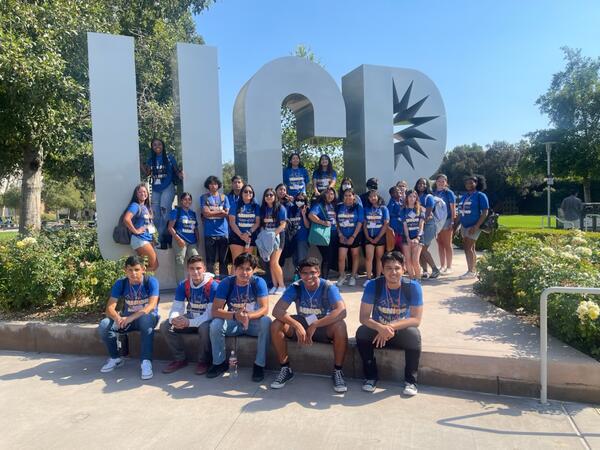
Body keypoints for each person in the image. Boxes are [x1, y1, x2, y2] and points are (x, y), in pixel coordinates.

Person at [270, 257, 349, 392]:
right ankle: (285, 368)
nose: (309, 276)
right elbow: (277, 310)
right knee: (276, 324)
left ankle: (338, 371)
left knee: (341, 325)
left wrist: (316, 324)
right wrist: (296, 325)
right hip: (303, 322)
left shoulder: (328, 287)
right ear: (300, 274)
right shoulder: (296, 287)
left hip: (323, 325)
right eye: (305, 273)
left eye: (312, 272)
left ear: (318, 272)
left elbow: (341, 311)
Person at [356, 251, 423, 396]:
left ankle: (411, 381)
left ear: (404, 268)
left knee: (414, 335)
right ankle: (370, 377)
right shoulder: (373, 285)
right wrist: (380, 328)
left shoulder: (413, 287)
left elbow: (416, 320)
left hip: (399, 330)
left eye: (397, 268)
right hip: (378, 331)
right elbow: (364, 317)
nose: (393, 272)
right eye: (389, 268)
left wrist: (390, 327)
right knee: (362, 332)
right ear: (382, 269)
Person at [208, 253, 271, 382]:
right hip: (234, 322)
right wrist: (235, 316)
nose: (244, 272)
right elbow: (215, 310)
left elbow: (264, 309)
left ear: (254, 270)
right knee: (215, 324)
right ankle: (218, 363)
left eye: (248, 269)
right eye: (241, 268)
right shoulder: (227, 282)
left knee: (266, 321)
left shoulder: (259, 282)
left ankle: (259, 365)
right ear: (234, 269)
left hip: (253, 322)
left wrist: (248, 316)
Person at [98, 256, 160, 380]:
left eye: (136, 269)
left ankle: (146, 362)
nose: (133, 273)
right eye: (130, 270)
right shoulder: (121, 283)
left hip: (147, 317)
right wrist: (117, 318)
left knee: (146, 320)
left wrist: (130, 318)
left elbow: (151, 306)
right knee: (104, 325)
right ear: (125, 270)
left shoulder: (151, 281)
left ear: (143, 269)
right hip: (126, 320)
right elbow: (109, 308)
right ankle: (115, 358)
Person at [160, 255, 218, 375]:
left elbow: (210, 314)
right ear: (188, 269)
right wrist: (174, 319)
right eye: (192, 268)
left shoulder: (213, 286)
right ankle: (180, 359)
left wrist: (188, 322)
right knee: (165, 326)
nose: (195, 272)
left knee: (205, 328)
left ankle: (204, 361)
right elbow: (177, 307)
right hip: (190, 317)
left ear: (204, 268)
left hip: (205, 320)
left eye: (198, 268)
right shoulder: (184, 285)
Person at [142, 138, 183, 248]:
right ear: (152, 147)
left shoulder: (169, 157)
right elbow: (147, 173)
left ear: (163, 145)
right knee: (155, 215)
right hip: (155, 189)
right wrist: (141, 163)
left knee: (165, 212)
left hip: (168, 187)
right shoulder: (151, 159)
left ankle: (161, 239)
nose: (157, 146)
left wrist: (180, 174)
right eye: (154, 145)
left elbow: (176, 170)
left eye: (159, 144)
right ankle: (164, 236)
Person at [457, 175, 489, 279]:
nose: (469, 185)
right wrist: (455, 225)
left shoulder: (480, 195)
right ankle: (473, 270)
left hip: (474, 226)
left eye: (471, 183)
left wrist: (476, 226)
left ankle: (470, 271)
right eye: (467, 183)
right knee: (471, 248)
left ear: (476, 183)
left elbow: (485, 212)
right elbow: (460, 212)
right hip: (464, 225)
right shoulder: (464, 196)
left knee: (467, 247)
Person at [122, 183, 158, 271]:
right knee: (153, 265)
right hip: (140, 239)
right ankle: (137, 281)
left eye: (145, 192)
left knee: (146, 266)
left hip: (146, 239)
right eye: (140, 192)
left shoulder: (145, 207)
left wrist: (152, 238)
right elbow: (126, 219)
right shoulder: (135, 206)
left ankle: (140, 282)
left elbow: (148, 225)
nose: (143, 194)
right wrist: (136, 231)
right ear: (136, 194)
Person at [200, 176, 230, 278]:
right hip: (209, 233)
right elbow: (206, 214)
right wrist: (220, 211)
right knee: (210, 261)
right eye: (211, 184)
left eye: (215, 184)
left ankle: (224, 282)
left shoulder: (224, 197)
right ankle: (211, 282)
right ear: (208, 185)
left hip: (223, 233)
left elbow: (226, 213)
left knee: (223, 261)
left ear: (218, 185)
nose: (213, 186)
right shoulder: (204, 197)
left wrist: (212, 212)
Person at [259, 187, 287, 294]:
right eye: (267, 195)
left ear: (275, 197)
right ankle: (275, 286)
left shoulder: (280, 208)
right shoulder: (263, 209)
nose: (269, 197)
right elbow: (262, 224)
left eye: (271, 195)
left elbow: (283, 225)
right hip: (266, 238)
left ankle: (282, 285)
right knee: (271, 263)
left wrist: (272, 235)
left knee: (275, 262)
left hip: (278, 238)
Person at [167, 192, 200, 282]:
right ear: (181, 201)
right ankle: (181, 286)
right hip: (180, 240)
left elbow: (195, 228)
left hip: (192, 242)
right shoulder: (176, 212)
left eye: (189, 199)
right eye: (185, 199)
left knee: (196, 260)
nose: (187, 201)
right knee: (180, 263)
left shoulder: (192, 213)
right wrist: (178, 239)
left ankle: (196, 283)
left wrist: (198, 240)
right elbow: (170, 228)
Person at [335, 188, 364, 287]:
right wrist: (340, 234)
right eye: (345, 195)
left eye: (350, 195)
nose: (348, 197)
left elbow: (360, 222)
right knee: (341, 257)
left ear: (353, 197)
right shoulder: (339, 207)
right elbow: (336, 222)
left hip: (355, 235)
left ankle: (352, 276)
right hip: (342, 235)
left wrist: (353, 236)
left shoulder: (358, 207)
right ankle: (342, 275)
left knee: (355, 255)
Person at [309, 187, 338, 280]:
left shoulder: (334, 205)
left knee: (331, 256)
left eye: (332, 194)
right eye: (328, 193)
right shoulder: (319, 205)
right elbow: (311, 215)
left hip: (334, 234)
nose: (330, 196)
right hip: (324, 235)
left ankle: (325, 277)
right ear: (324, 194)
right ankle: (324, 278)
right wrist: (323, 222)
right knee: (327, 256)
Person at [415, 177, 440, 279]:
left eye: (424, 184)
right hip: (419, 225)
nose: (422, 185)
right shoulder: (416, 196)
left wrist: (421, 224)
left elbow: (428, 214)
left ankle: (435, 269)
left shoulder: (428, 197)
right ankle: (425, 271)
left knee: (423, 249)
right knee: (419, 249)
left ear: (427, 186)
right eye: (420, 183)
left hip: (428, 225)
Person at [228, 184, 260, 262]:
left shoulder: (256, 206)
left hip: (250, 237)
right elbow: (232, 222)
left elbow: (257, 222)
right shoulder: (235, 205)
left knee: (247, 262)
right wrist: (241, 235)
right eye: (245, 191)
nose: (248, 193)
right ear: (241, 193)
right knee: (236, 262)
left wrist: (248, 234)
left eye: (250, 192)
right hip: (236, 236)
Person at [363, 190, 390, 285]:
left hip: (380, 236)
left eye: (374, 196)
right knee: (369, 258)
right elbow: (364, 224)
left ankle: (378, 277)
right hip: (369, 237)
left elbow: (386, 223)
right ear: (369, 199)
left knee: (379, 258)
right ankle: (369, 278)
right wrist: (368, 236)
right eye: (371, 197)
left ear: (377, 196)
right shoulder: (366, 209)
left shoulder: (383, 209)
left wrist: (378, 237)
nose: (373, 198)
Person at [433, 174, 457, 274]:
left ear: (446, 182)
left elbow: (453, 209)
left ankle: (449, 266)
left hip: (447, 221)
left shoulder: (449, 193)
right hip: (437, 222)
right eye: (439, 181)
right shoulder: (433, 193)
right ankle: (442, 266)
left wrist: (452, 221)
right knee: (440, 244)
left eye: (443, 181)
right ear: (436, 182)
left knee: (447, 244)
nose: (441, 183)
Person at [283, 192, 311, 271]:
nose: (299, 201)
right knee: (294, 259)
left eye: (302, 200)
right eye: (298, 199)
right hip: (292, 238)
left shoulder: (307, 209)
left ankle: (303, 277)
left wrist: (304, 215)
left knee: (302, 260)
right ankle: (297, 276)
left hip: (302, 238)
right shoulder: (291, 209)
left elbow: (307, 226)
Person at [401, 190, 424, 279]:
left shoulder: (420, 209)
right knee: (408, 260)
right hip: (406, 237)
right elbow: (405, 225)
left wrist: (418, 237)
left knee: (415, 260)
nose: (412, 198)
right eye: (410, 196)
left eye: (414, 196)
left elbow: (421, 224)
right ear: (407, 198)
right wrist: (408, 238)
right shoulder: (403, 210)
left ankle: (418, 279)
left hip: (418, 237)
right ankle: (411, 279)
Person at [387, 183, 406, 252]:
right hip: (395, 227)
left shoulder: (402, 201)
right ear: (392, 194)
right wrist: (398, 216)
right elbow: (389, 214)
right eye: (396, 191)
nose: (399, 191)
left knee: (402, 246)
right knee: (394, 246)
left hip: (401, 227)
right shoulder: (392, 202)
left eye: (399, 190)